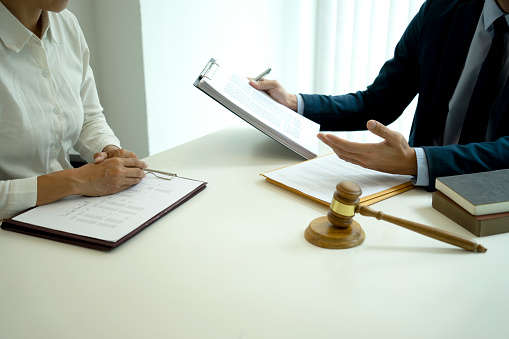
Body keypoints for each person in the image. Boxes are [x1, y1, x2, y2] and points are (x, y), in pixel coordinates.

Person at [250, 0, 509, 190]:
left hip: (494, 198)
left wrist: (417, 161)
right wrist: (293, 103)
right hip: (418, 192)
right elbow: (379, 102)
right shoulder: (440, 9)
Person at [0, 0, 147, 221]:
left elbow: (88, 117)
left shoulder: (66, 23)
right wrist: (76, 181)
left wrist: (109, 149)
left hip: (68, 210)